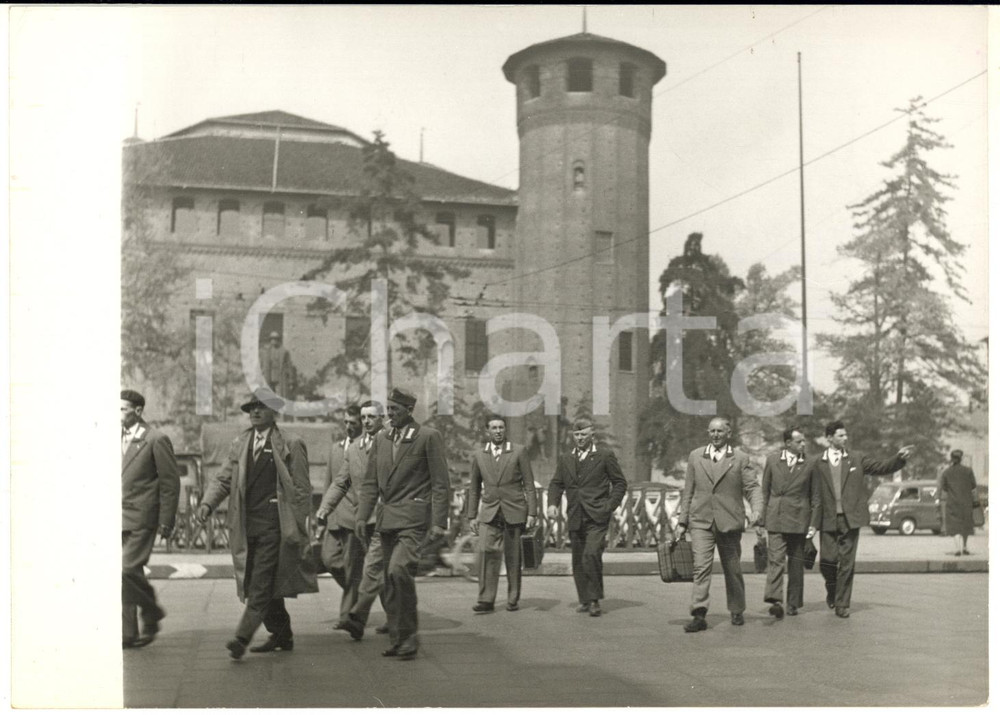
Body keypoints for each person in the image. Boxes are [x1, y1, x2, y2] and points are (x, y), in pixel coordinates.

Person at [195, 393, 317, 659]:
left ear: (275, 412)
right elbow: (224, 480)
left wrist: (299, 524)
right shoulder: (241, 442)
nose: (255, 412)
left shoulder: (290, 443)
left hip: (276, 525)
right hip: (246, 525)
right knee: (258, 580)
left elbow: (301, 488)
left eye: (262, 407)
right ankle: (282, 633)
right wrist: (207, 505)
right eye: (252, 408)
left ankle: (241, 637)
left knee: (260, 583)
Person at [355, 387, 450, 660]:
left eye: (395, 410)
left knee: (399, 571)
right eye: (389, 409)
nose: (390, 415)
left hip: (413, 520)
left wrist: (439, 522)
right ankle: (398, 639)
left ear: (409, 411)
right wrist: (363, 516)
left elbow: (441, 483)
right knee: (389, 581)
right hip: (387, 520)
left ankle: (410, 636)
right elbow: (371, 483)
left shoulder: (427, 437)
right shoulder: (382, 440)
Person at [809, 419, 911, 618]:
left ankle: (842, 604)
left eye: (845, 435)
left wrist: (899, 459)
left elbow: (882, 467)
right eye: (840, 435)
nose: (845, 438)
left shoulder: (857, 458)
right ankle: (832, 589)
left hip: (851, 519)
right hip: (827, 518)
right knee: (827, 561)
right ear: (829, 438)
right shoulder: (816, 461)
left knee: (847, 562)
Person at [676, 416, 762, 632]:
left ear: (728, 434)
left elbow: (752, 488)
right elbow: (689, 490)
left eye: (720, 431)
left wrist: (757, 510)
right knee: (701, 567)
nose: (715, 435)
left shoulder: (741, 458)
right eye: (712, 431)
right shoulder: (696, 456)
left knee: (732, 568)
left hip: (729, 521)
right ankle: (699, 613)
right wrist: (682, 521)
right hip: (701, 521)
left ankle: (736, 609)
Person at [546, 418, 627, 618]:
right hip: (575, 515)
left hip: (597, 516)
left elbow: (619, 483)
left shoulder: (604, 456)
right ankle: (584, 598)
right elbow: (556, 483)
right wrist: (552, 504)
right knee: (578, 559)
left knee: (591, 554)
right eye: (577, 434)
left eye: (584, 434)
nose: (580, 438)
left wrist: (609, 506)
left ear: (592, 435)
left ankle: (594, 600)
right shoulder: (566, 458)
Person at [317, 401, 385, 635]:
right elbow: (338, 481)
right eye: (362, 418)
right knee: (370, 570)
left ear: (381, 418)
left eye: (369, 418)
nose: (365, 422)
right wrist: (325, 508)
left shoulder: (390, 444)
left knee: (373, 568)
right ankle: (375, 616)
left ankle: (356, 618)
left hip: (383, 518)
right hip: (356, 519)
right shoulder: (351, 448)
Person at [121, 389, 180, 649]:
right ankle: (128, 633)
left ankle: (152, 609)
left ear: (137, 411)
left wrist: (166, 521)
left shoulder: (156, 439)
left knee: (125, 569)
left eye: (122, 409)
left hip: (142, 518)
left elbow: (170, 483)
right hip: (116, 517)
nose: (117, 415)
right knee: (122, 575)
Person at [466, 416, 538, 613]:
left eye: (501, 427)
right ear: (487, 431)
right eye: (494, 428)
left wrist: (532, 512)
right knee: (486, 553)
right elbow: (474, 488)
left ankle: (513, 597)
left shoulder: (518, 451)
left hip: (514, 510)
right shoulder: (480, 455)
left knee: (513, 557)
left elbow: (529, 485)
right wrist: (472, 515)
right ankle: (486, 600)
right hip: (489, 512)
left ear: (505, 430)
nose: (498, 431)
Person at [760, 426, 813, 619]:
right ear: (788, 443)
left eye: (804, 441)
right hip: (776, 517)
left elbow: (814, 496)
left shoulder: (809, 463)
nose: (803, 444)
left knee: (796, 564)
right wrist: (761, 518)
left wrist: (813, 525)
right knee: (775, 560)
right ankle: (774, 600)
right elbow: (764, 491)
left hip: (800, 519)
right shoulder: (773, 460)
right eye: (799, 441)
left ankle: (793, 603)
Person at [317, 404, 362, 627]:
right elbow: (329, 482)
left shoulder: (365, 448)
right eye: (346, 422)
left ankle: (347, 615)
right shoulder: (336, 448)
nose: (348, 427)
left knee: (352, 566)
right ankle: (362, 591)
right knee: (329, 560)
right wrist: (323, 513)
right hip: (334, 517)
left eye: (353, 423)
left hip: (354, 517)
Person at [937, 449, 978, 556]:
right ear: (961, 458)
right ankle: (964, 547)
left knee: (954, 525)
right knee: (965, 525)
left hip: (953, 502)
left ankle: (957, 549)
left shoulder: (946, 472)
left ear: (951, 459)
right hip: (966, 502)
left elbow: (944, 488)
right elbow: (973, 485)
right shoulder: (968, 471)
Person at [260, 331, 295, 399]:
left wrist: (291, 381)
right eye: (272, 339)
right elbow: (262, 364)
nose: (274, 341)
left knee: (280, 396)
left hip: (280, 376)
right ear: (270, 340)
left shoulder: (284, 352)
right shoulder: (266, 351)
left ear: (278, 340)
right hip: (269, 376)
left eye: (276, 339)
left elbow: (289, 366)